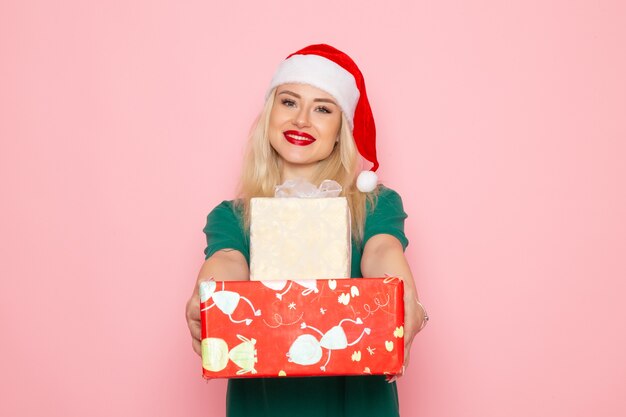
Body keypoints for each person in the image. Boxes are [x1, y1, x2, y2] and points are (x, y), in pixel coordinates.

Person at [185, 44, 428, 417]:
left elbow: (381, 250)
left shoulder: (375, 204)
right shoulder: (233, 216)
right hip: (268, 405)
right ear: (269, 115)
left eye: (322, 109)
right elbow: (228, 259)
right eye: (288, 102)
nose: (301, 120)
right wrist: (209, 299)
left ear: (340, 129)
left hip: (356, 403)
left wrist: (402, 291)